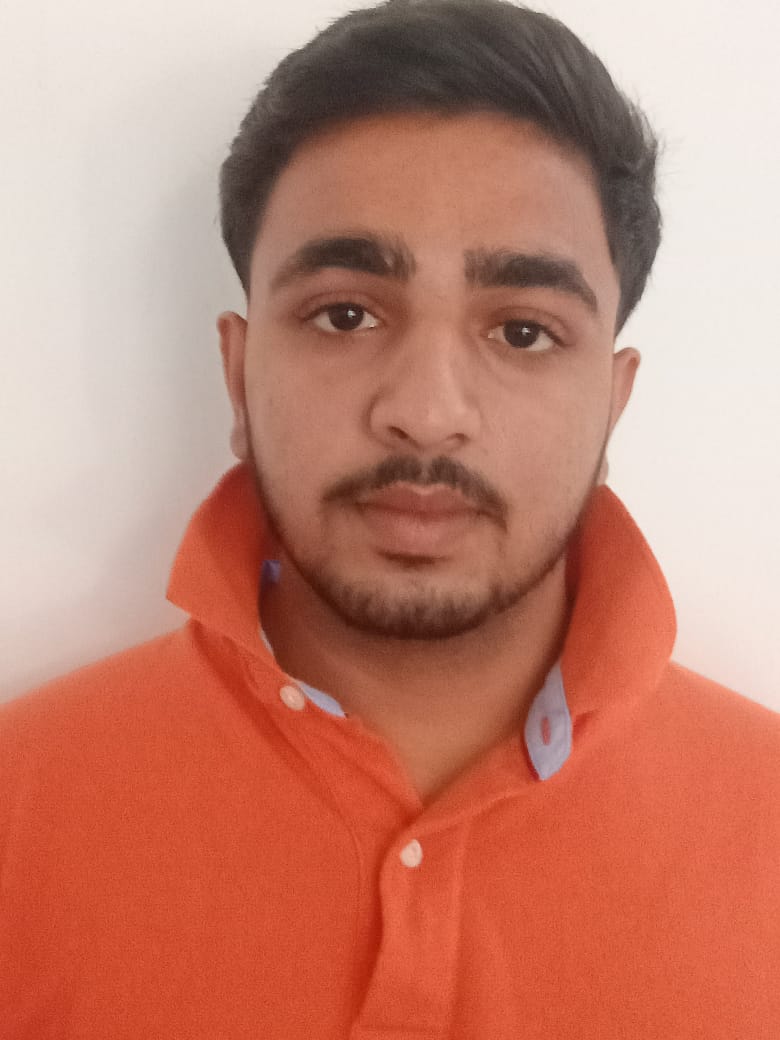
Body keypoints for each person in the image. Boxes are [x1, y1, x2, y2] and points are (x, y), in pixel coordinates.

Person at [2, 0, 777, 1036]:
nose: (426, 408)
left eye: (523, 331)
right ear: (238, 376)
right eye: (346, 313)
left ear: (613, 402)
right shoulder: (18, 815)